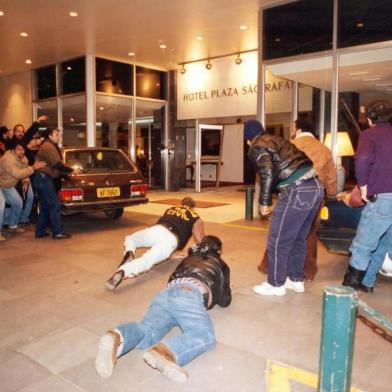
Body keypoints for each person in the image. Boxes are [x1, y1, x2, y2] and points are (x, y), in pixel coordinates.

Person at [96, 235, 231, 382]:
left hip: (165, 294)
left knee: (147, 331)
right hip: (189, 294)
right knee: (204, 335)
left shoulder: (188, 258)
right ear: (218, 251)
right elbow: (225, 301)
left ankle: (119, 336)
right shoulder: (220, 264)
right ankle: (166, 352)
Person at [244, 119, 324, 296]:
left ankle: (276, 284)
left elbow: (267, 172)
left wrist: (264, 202)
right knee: (298, 238)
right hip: (316, 187)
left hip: (296, 190)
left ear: (248, 138)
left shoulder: (256, 146)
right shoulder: (278, 139)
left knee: (278, 239)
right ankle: (296, 280)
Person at [258, 118, 337, 281]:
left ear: (299, 129)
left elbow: (272, 170)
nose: (293, 130)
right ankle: (306, 272)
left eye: (294, 127)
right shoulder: (325, 149)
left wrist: (270, 193)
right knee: (308, 234)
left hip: (292, 192)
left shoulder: (290, 145)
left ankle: (272, 272)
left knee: (281, 233)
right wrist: (332, 195)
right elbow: (331, 178)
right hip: (316, 194)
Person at [342, 102, 392, 290]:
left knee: (362, 246)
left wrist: (363, 186)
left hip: (383, 198)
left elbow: (363, 159)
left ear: (370, 119)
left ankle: (346, 295)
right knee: (383, 242)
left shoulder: (370, 135)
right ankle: (366, 282)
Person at [106, 197, 205, 290]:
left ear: (182, 204)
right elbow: (201, 240)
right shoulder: (195, 216)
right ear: (193, 208)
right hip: (171, 239)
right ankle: (124, 271)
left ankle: (129, 252)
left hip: (157, 229)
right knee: (147, 260)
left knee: (131, 239)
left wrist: (170, 254)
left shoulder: (172, 209)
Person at [33, 128, 82, 239]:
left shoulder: (47, 145)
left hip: (41, 178)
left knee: (45, 206)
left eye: (59, 134)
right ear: (50, 136)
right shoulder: (49, 146)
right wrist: (71, 170)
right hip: (44, 179)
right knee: (55, 205)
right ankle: (57, 232)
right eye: (56, 134)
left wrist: (67, 173)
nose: (59, 136)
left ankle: (40, 232)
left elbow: (55, 166)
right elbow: (57, 164)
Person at [0, 142, 46, 234]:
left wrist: (25, 179)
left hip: (8, 185)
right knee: (1, 208)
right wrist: (33, 167)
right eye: (18, 149)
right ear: (13, 150)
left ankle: (12, 225)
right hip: (2, 185)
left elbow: (24, 170)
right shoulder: (8, 159)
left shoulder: (23, 158)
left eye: (23, 149)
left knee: (18, 203)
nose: (21, 152)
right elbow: (17, 174)